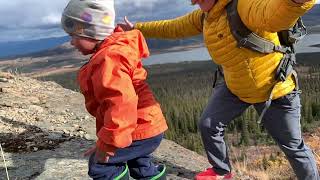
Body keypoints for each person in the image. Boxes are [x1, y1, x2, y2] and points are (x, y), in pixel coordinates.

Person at [118, 0, 319, 179]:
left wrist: (297, 2)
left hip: (274, 90)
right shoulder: (206, 15)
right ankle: (222, 171)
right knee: (208, 124)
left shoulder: (244, 5)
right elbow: (174, 27)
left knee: (293, 148)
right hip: (236, 87)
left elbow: (274, 15)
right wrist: (137, 27)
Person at [61, 0, 168, 179]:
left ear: (92, 32)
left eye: (74, 36)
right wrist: (108, 140)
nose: (71, 42)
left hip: (137, 130)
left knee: (100, 165)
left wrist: (108, 144)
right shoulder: (113, 50)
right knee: (140, 164)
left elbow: (121, 104)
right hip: (147, 127)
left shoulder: (109, 58)